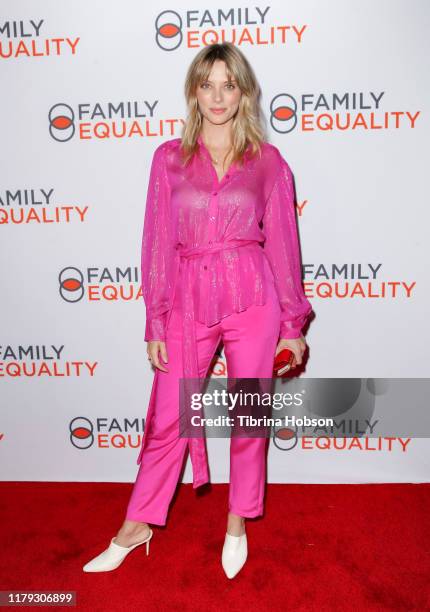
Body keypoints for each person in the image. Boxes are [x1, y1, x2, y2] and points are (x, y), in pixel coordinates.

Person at [83, 42, 313, 579]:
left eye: (227, 84)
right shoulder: (168, 159)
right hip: (187, 299)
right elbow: (156, 243)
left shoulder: (269, 163)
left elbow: (283, 247)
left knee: (249, 417)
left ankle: (238, 520)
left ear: (243, 92)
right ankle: (137, 524)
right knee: (169, 417)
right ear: (192, 91)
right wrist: (155, 319)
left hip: (253, 299)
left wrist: (292, 325)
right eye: (206, 84)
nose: (217, 96)